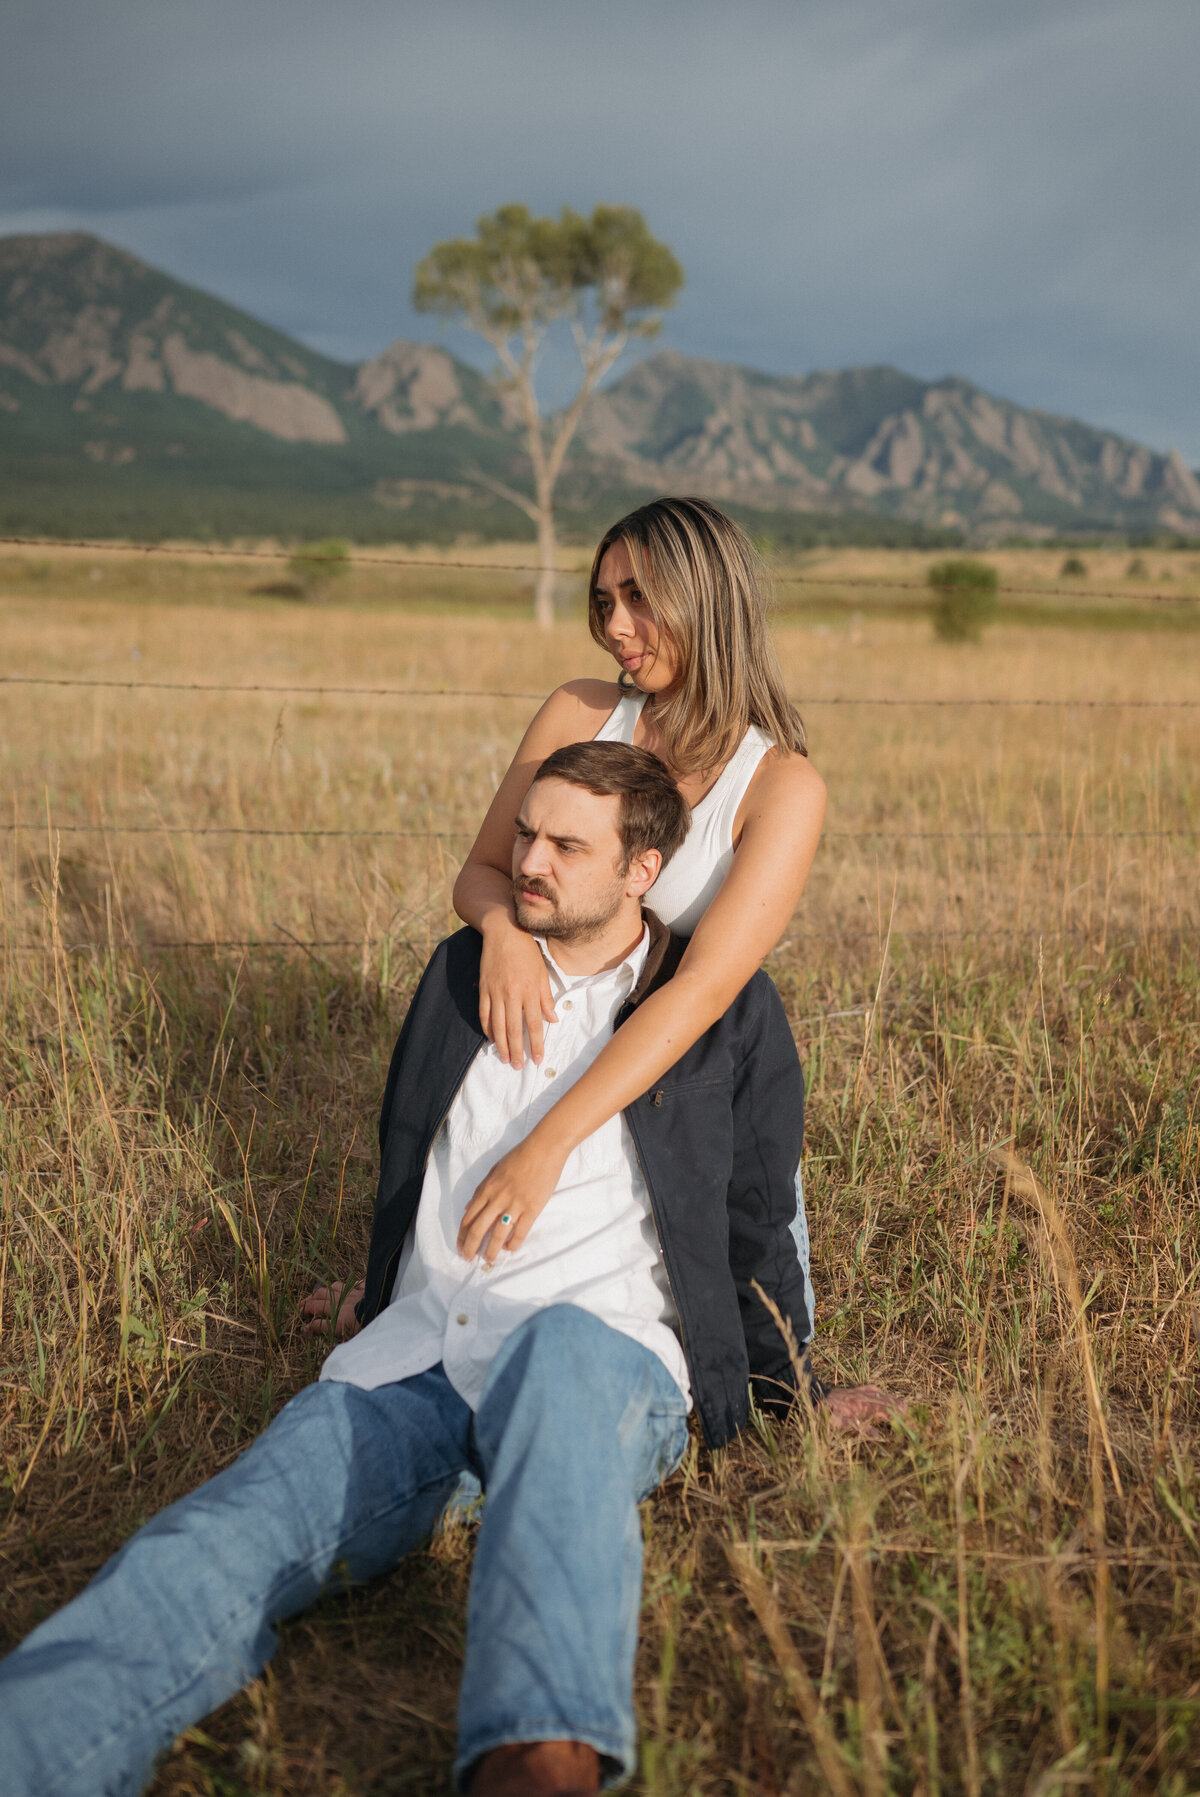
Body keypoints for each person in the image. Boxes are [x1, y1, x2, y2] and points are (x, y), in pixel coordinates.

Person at [0, 742, 830, 1797]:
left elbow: (760, 1211)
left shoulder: (720, 1011)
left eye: (565, 845)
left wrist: (787, 1385)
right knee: (219, 1536)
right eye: (525, 833)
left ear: (641, 871)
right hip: (422, 1360)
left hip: (603, 1361)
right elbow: (415, 1153)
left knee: (563, 1359)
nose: (528, 859)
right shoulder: (463, 971)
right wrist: (380, 1286)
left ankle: (540, 1761)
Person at [450, 497, 824, 1317]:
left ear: (708, 599)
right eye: (604, 601)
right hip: (544, 1034)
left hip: (683, 1066)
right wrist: (503, 929)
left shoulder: (780, 786)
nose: (617, 626)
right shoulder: (582, 712)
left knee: (757, 1339)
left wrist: (548, 1144)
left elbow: (706, 991)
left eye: (640, 598)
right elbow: (479, 872)